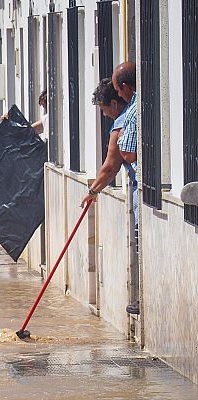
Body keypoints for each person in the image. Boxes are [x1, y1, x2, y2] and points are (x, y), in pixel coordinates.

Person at [80, 62, 139, 315]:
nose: (104, 115)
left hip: (139, 190)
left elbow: (110, 167)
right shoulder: (136, 111)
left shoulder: (121, 124)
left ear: (115, 103)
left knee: (139, 242)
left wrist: (92, 192)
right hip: (138, 189)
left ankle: (140, 299)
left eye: (104, 110)